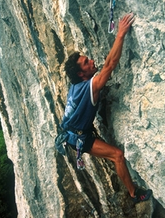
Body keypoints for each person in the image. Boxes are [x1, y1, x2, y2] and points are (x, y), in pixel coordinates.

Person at [60, 13, 152, 204]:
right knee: (117, 155)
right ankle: (134, 194)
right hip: (78, 138)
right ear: (81, 73)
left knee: (113, 155)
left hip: (71, 134)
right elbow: (110, 65)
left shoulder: (76, 86)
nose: (91, 61)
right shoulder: (89, 87)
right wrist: (120, 35)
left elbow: (104, 67)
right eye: (87, 63)